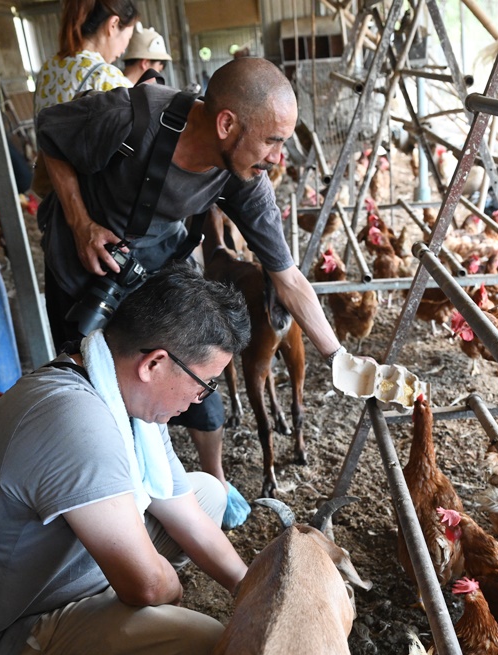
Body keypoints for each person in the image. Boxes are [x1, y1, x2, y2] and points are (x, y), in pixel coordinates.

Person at [35, 57, 349, 527]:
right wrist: (80, 224)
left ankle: (213, 483)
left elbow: (288, 278)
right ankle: (106, 499)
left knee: (198, 375)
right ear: (226, 123)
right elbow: (50, 134)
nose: (277, 157)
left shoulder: (243, 178)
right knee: (93, 385)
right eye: (272, 141)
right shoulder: (129, 117)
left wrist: (339, 357)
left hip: (155, 269)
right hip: (83, 264)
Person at [0, 262, 251, 655]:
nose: (200, 400)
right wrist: (169, 595)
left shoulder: (113, 387)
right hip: (7, 638)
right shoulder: (75, 420)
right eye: (205, 385)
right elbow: (146, 586)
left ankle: (112, 635)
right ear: (155, 364)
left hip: (60, 576)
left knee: (208, 494)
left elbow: (187, 512)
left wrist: (251, 590)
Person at [33, 0, 137, 118]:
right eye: (128, 37)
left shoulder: (48, 67)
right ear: (113, 24)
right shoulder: (105, 76)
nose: (124, 50)